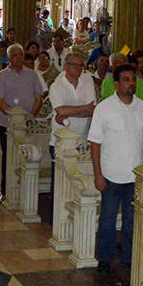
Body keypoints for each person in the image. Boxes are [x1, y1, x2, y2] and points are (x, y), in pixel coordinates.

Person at [88, 63, 143, 284]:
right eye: (126, 80)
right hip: (111, 173)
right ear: (116, 84)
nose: (131, 83)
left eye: (133, 79)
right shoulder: (104, 109)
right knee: (107, 219)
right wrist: (98, 174)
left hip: (135, 175)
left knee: (131, 220)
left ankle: (128, 258)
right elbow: (95, 144)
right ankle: (105, 259)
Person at [0, 45, 44, 196]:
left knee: (27, 156)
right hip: (8, 124)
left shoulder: (32, 75)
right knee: (9, 157)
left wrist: (31, 116)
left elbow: (38, 97)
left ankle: (25, 191)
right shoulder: (2, 75)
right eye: (15, 55)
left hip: (28, 123)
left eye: (21, 54)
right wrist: (13, 116)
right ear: (8, 58)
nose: (19, 57)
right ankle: (6, 191)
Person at [48, 54, 96, 189]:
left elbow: (92, 109)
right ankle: (55, 210)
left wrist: (69, 112)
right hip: (60, 142)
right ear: (65, 66)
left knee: (77, 184)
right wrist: (83, 109)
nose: (78, 68)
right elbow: (60, 111)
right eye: (74, 65)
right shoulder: (57, 86)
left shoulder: (86, 82)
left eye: (81, 66)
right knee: (59, 183)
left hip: (82, 141)